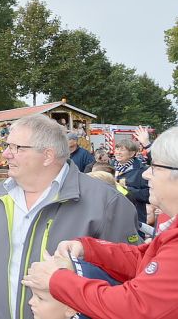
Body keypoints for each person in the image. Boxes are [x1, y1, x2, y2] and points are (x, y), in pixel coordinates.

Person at [0, 114, 139, 319]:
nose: (5, 153)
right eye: (7, 145)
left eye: (16, 148)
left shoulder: (107, 204)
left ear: (47, 156)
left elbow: (128, 287)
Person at [22, 126, 178, 318]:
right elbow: (143, 259)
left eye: (155, 167)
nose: (146, 174)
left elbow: (134, 307)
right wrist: (89, 249)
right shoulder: (170, 224)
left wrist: (57, 281)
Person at [113, 138, 151, 225]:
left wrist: (125, 189)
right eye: (117, 149)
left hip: (134, 217)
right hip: (114, 215)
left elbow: (147, 195)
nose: (118, 152)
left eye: (122, 150)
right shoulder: (109, 168)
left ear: (132, 153)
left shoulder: (142, 170)